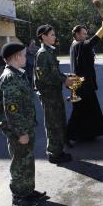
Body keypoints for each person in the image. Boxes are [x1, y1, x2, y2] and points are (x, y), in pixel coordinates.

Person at [0, 42, 49, 206]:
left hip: (24, 126)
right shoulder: (10, 78)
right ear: (17, 57)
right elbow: (12, 110)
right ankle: (19, 196)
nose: (26, 58)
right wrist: (21, 132)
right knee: (19, 162)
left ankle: (27, 190)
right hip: (18, 129)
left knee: (27, 159)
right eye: (24, 55)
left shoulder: (17, 74)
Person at [34, 24, 74, 164]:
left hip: (54, 93)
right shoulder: (43, 54)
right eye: (51, 34)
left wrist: (66, 76)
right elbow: (43, 77)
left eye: (54, 34)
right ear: (43, 37)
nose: (54, 36)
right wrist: (64, 80)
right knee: (53, 123)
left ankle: (59, 150)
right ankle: (54, 153)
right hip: (48, 95)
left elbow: (54, 73)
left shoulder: (50, 52)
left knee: (59, 121)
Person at [67, 19, 103, 141]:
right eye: (84, 34)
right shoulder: (79, 44)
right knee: (79, 111)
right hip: (82, 84)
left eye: (86, 34)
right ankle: (68, 135)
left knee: (89, 109)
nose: (86, 36)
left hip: (82, 83)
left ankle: (87, 133)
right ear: (77, 34)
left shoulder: (75, 46)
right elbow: (93, 42)